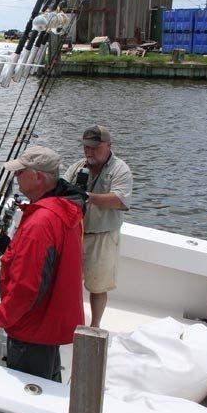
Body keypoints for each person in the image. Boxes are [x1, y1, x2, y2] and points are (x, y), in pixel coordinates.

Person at [0, 145, 85, 382]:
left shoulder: (40, 223)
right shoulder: (65, 210)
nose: (16, 179)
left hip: (31, 332)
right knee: (49, 384)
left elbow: (27, 288)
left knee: (29, 393)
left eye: (20, 173)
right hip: (48, 328)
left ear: (38, 177)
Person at [64, 125, 132, 328]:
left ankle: (95, 326)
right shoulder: (77, 167)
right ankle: (69, 321)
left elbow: (118, 200)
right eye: (86, 147)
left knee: (98, 286)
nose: (89, 151)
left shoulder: (120, 170)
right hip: (76, 233)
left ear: (108, 145)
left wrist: (86, 196)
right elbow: (63, 187)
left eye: (94, 147)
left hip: (103, 236)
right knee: (68, 281)